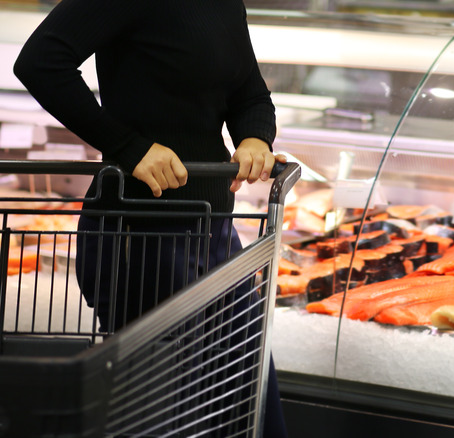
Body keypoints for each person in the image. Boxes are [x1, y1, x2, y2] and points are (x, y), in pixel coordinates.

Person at [13, 0, 288, 436]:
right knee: (163, 410)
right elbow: (40, 62)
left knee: (245, 391)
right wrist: (129, 146)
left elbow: (249, 92)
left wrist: (255, 137)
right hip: (142, 234)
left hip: (213, 227)